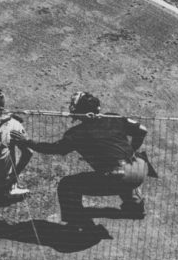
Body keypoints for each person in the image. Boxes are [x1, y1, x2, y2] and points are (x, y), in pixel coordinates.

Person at [12, 91, 154, 231]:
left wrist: (28, 142)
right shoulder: (113, 117)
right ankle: (135, 207)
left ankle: (78, 224)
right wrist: (132, 150)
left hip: (121, 176)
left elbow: (54, 149)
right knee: (114, 169)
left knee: (68, 185)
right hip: (141, 168)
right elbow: (143, 130)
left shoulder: (77, 133)